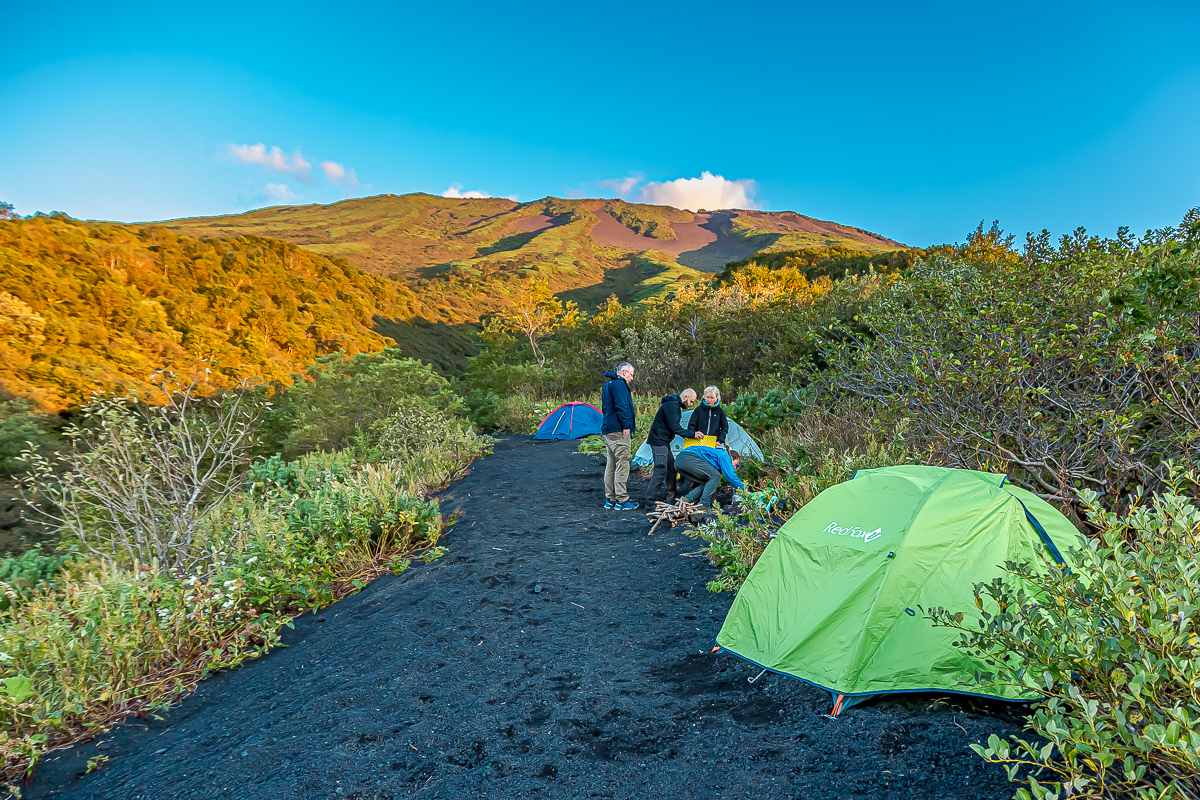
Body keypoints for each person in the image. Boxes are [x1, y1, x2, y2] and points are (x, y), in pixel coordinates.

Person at [645, 388, 703, 504]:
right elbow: (674, 427)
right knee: (660, 469)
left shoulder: (673, 404)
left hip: (663, 442)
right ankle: (650, 501)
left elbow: (674, 427)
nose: (691, 404)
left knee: (672, 467)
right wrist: (692, 435)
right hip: (659, 441)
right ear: (685, 397)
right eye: (691, 401)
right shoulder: (672, 405)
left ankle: (670, 496)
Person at [600, 362, 638, 510]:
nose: (632, 378)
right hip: (618, 431)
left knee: (611, 465)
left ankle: (610, 499)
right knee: (622, 464)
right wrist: (626, 426)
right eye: (631, 375)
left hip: (608, 430)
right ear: (623, 373)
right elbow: (621, 406)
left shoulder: (608, 385)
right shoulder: (619, 385)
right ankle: (622, 500)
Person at [674, 445, 744, 510]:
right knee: (715, 476)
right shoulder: (724, 455)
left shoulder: (715, 458)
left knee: (708, 482)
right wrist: (743, 490)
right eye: (735, 464)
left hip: (679, 463)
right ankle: (704, 505)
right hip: (688, 457)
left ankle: (687, 499)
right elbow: (731, 476)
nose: (735, 468)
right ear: (731, 458)